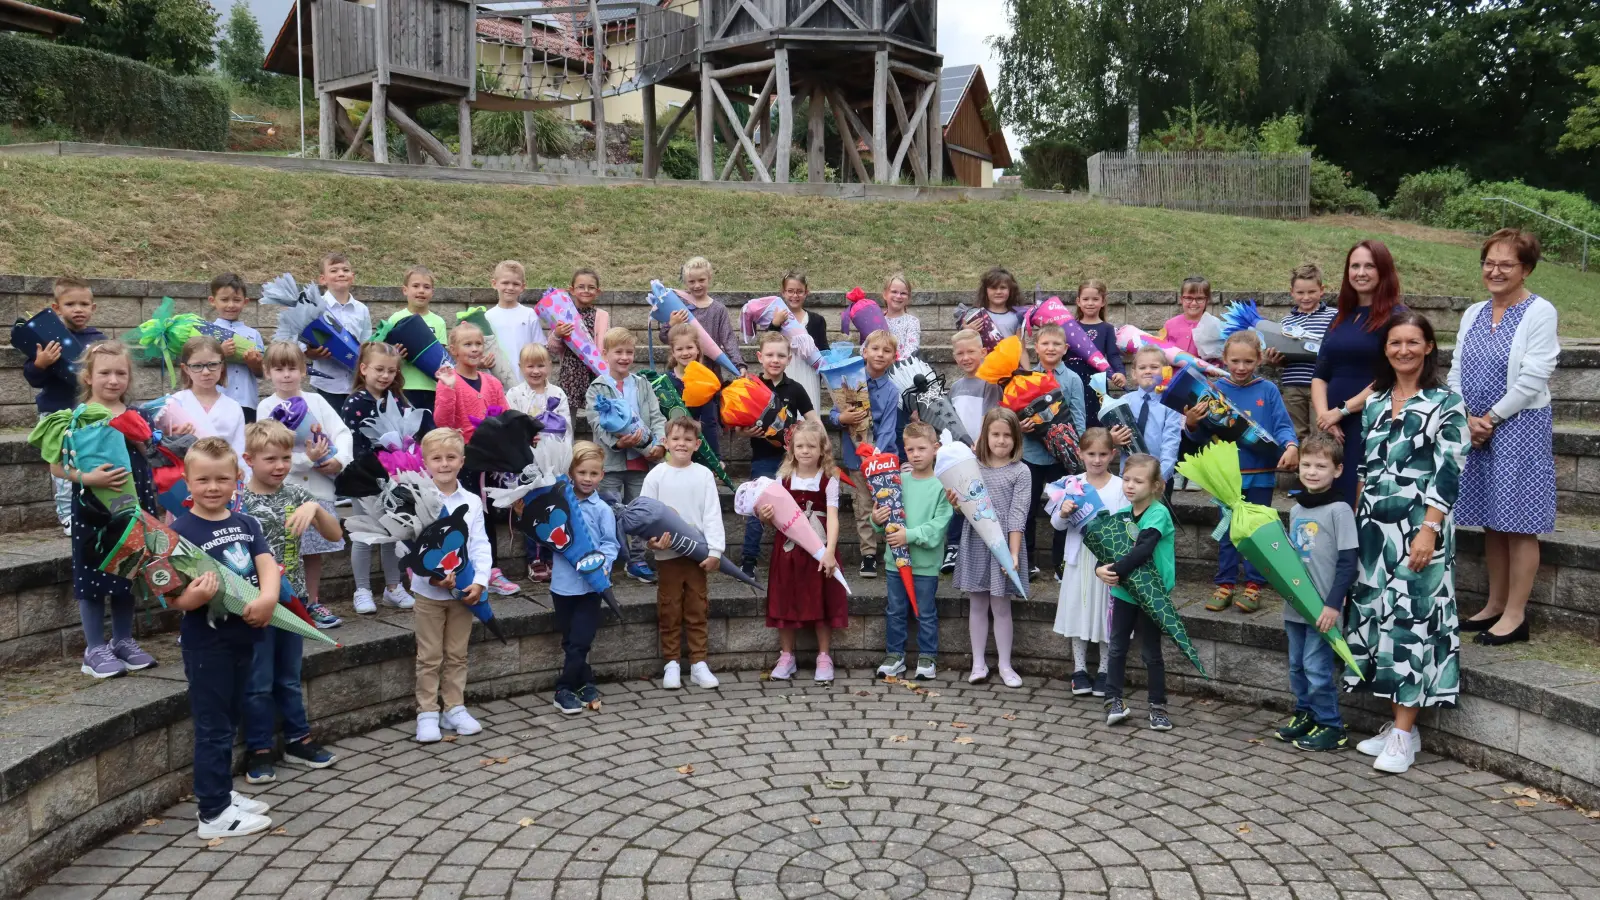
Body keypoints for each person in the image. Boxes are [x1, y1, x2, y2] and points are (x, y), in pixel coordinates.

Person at [1345, 311, 1468, 775]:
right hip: (1376, 526)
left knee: (1413, 619)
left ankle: (1403, 734)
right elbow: (1366, 468)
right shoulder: (1376, 401)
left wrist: (1429, 528)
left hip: (1421, 526)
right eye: (1395, 343)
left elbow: (1449, 470)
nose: (1403, 350)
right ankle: (1401, 726)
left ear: (1429, 347)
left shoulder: (1447, 403)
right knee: (1379, 615)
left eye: (1413, 342)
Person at [1450, 229, 1559, 647]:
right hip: (1475, 427)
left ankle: (1516, 615)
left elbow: (1535, 375)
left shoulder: (1539, 311)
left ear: (1526, 269)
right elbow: (1458, 367)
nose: (1494, 271)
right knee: (1492, 523)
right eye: (1489, 263)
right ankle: (1494, 605)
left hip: (1520, 427)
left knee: (1518, 523)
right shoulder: (1474, 312)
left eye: (1506, 264)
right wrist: (1466, 416)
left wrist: (1490, 418)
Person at [170, 436, 280, 838]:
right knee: (213, 727)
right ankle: (213, 813)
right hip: (207, 645)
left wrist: (268, 598)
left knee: (231, 718)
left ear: (238, 477)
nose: (212, 487)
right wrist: (190, 598)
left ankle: (222, 791)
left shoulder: (245, 523)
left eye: (221, 479)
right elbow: (169, 593)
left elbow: (265, 563)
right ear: (186, 480)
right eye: (202, 480)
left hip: (243, 637)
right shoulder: (180, 531)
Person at [51, 342, 162, 678]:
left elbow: (148, 455)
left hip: (133, 506)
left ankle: (123, 640)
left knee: (128, 572)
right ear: (88, 376)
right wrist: (87, 476)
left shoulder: (137, 414)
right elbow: (56, 467)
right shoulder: (76, 418)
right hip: (94, 510)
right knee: (93, 574)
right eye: (105, 373)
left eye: (120, 373)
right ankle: (94, 647)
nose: (113, 380)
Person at [239, 421, 342, 783]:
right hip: (253, 603)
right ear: (249, 459)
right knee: (258, 680)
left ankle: (298, 740)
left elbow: (335, 535)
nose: (280, 465)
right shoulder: (238, 501)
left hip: (293, 601)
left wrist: (315, 508)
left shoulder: (297, 496)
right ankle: (259, 748)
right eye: (270, 459)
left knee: (288, 677)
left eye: (286, 457)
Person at [1186, 331, 1299, 613]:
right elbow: (1200, 437)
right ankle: (1224, 583)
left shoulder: (1268, 390)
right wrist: (1191, 423)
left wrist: (1291, 445)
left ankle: (1254, 585)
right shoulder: (1213, 391)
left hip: (1261, 474)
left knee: (1256, 532)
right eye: (1234, 361)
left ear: (1259, 359)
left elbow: (1282, 424)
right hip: (1227, 478)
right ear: (1223, 359)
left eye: (1248, 361)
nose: (1240, 367)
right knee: (1228, 533)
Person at [256, 341, 351, 629]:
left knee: (312, 551)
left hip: (320, 488)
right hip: (283, 489)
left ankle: (312, 601)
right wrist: (305, 460)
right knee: (286, 548)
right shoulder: (266, 406)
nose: (286, 375)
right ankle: (285, 601)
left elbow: (342, 432)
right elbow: (267, 448)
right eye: (279, 369)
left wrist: (341, 460)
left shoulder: (318, 401)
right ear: (267, 372)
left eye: (293, 368)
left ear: (303, 371)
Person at [1275, 432, 1357, 752]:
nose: (1311, 471)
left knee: (1316, 667)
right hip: (1296, 605)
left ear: (1337, 470)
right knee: (1297, 664)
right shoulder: (1296, 510)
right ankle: (1306, 713)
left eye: (1320, 466)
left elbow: (1349, 562)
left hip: (1323, 608)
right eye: (1306, 464)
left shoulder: (1340, 510)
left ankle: (1332, 725)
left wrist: (1333, 605)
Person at [411, 428, 491, 743]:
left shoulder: (471, 501)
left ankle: (454, 707)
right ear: (426, 462)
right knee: (429, 655)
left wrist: (482, 581)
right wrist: (431, 576)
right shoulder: (417, 497)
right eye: (437, 458)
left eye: (451, 458)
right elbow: (409, 547)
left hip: (462, 592)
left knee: (457, 653)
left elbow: (480, 544)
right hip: (429, 593)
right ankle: (427, 712)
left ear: (462, 461)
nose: (444, 464)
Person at [1312, 240, 1407, 506]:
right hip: (1333, 427)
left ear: (1383, 271)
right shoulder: (1341, 316)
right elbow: (1320, 373)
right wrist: (1324, 418)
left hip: (1370, 421)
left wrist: (1341, 411)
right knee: (1332, 505)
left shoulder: (1397, 317)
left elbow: (1391, 375)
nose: (1361, 272)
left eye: (1369, 266)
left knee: (1360, 502)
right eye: (1355, 266)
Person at [761, 419, 846, 683]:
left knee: (821, 596)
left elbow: (832, 517)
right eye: (800, 446)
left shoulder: (829, 479)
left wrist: (830, 551)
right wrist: (765, 516)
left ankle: (824, 656)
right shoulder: (782, 479)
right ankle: (787, 656)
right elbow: (772, 515)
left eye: (811, 446)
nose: (805, 451)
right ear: (791, 449)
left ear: (822, 449)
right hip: (788, 549)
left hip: (818, 548)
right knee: (785, 597)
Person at [1095, 454, 1176, 731]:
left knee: (1151, 652)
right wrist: (1099, 569)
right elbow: (1108, 548)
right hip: (1124, 594)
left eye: (1138, 481)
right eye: (1127, 479)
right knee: (1117, 647)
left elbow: (1142, 549)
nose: (1129, 485)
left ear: (1156, 485)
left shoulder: (1158, 514)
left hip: (1152, 594)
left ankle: (1158, 706)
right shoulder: (1122, 515)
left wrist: (1115, 569)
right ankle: (1113, 699)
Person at [952, 408, 1030, 688]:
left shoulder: (1021, 472)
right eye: (995, 434)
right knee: (977, 604)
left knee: (1001, 606)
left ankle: (1006, 665)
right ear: (985, 436)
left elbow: (1018, 515)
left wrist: (1013, 553)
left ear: (1016, 438)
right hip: (976, 543)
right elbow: (966, 508)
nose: (1001, 440)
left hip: (1006, 545)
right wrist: (955, 503)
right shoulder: (972, 467)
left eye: (1007, 435)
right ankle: (978, 663)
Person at [645, 419, 724, 691]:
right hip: (667, 555)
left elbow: (712, 514)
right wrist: (652, 542)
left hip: (697, 554)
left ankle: (699, 662)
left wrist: (715, 551)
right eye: (676, 438)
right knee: (669, 607)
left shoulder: (702, 475)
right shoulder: (656, 475)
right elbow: (645, 514)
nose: (681, 444)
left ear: (697, 445)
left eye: (688, 440)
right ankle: (671, 662)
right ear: (665, 442)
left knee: (697, 606)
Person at [1050, 428, 1129, 698]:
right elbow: (1057, 525)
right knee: (1079, 610)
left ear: (1113, 455)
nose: (1097, 460)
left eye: (1103, 454)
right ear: (1080, 454)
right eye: (1091, 454)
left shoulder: (1120, 487)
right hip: (1079, 559)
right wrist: (1063, 512)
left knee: (1106, 615)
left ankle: (1105, 670)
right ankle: (1080, 669)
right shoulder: (1071, 484)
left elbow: (1127, 524)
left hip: (1108, 561)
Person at [340, 342, 417, 614]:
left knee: (392, 533)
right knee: (364, 533)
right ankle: (362, 589)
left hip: (394, 478)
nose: (385, 376)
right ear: (363, 369)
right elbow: (355, 443)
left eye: (391, 371)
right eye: (379, 370)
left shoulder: (397, 399)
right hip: (364, 478)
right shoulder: (355, 401)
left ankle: (393, 587)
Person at [585, 327, 667, 583]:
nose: (624, 357)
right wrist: (618, 444)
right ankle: (606, 560)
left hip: (642, 461)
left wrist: (660, 444)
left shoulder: (642, 384)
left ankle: (637, 560)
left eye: (629, 352)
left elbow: (656, 417)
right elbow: (596, 423)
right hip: (611, 462)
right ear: (605, 354)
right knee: (607, 512)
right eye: (618, 352)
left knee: (640, 513)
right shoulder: (597, 387)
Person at [26, 275, 106, 534]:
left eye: (84, 304)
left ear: (93, 307)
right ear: (57, 308)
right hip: (57, 415)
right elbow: (34, 378)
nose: (78, 309)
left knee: (92, 463)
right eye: (71, 304)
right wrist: (41, 363)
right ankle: (68, 516)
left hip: (90, 414)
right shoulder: (49, 338)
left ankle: (93, 509)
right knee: (62, 467)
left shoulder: (99, 340)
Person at [873, 422, 951, 681]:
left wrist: (911, 535)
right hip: (895, 561)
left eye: (922, 448)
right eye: (910, 449)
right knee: (895, 610)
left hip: (925, 564)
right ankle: (895, 655)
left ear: (935, 448)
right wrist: (876, 517)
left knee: (924, 611)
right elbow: (881, 518)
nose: (915, 454)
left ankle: (928, 656)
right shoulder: (896, 480)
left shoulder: (942, 486)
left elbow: (939, 525)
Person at [740, 331, 819, 578]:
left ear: (789, 359)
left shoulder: (795, 389)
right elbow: (738, 428)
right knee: (758, 509)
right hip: (762, 460)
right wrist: (747, 433)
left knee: (796, 509)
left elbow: (814, 420)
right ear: (760, 357)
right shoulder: (751, 386)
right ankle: (748, 562)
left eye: (781, 356)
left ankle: (800, 556)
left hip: (792, 461)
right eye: (770, 355)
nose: (775, 360)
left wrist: (813, 441)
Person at [549, 442, 618, 714]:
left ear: (602, 475)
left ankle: (563, 688)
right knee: (570, 640)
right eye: (582, 473)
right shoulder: (560, 506)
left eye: (594, 474)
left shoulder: (603, 509)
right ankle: (584, 681)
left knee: (581, 639)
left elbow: (610, 543)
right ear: (571, 473)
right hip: (563, 586)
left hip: (591, 588)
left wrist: (602, 563)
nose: (587, 479)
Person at [831, 330, 906, 580]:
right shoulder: (849, 382)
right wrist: (842, 418)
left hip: (883, 460)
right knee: (863, 508)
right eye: (875, 349)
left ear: (893, 357)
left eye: (886, 351)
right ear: (864, 352)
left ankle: (895, 550)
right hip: (855, 460)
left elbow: (888, 429)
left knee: (888, 504)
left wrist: (874, 454)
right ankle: (869, 555)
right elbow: (834, 412)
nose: (880, 354)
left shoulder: (891, 391)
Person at [1020, 323, 1086, 581]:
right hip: (1032, 454)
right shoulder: (1025, 378)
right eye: (1045, 343)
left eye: (1056, 344)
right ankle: (1027, 560)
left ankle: (1061, 564)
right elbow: (1018, 413)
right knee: (1027, 509)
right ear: (1036, 347)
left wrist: (1078, 449)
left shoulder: (1072, 379)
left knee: (1065, 508)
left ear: (1065, 349)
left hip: (1062, 457)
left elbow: (1079, 416)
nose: (1050, 348)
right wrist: (1021, 425)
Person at [506, 343, 571, 583]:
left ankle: (553, 553)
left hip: (554, 460)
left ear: (550, 366)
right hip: (528, 462)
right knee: (531, 509)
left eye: (541, 365)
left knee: (554, 509)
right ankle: (534, 558)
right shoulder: (514, 394)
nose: (536, 371)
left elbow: (566, 426)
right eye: (530, 366)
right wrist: (525, 434)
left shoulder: (557, 394)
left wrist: (564, 456)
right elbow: (510, 424)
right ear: (521, 367)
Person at [943, 329, 1001, 572]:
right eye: (959, 353)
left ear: (983, 352)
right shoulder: (955, 387)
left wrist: (981, 442)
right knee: (958, 498)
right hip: (959, 453)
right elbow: (951, 420)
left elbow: (991, 415)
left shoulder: (991, 383)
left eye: (970, 352)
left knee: (981, 500)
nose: (965, 357)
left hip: (982, 451)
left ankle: (989, 546)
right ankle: (953, 547)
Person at [1265, 264, 1336, 442]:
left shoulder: (1334, 316)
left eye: (1311, 292)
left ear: (1322, 290)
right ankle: (1300, 469)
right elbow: (1283, 357)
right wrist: (1274, 359)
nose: (1306, 297)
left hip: (1322, 385)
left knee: (1321, 432)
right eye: (1300, 293)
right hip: (1292, 384)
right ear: (1292, 292)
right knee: (1296, 433)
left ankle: (1319, 468)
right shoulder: (1286, 322)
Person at [1109, 345, 1182, 485]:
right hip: (1128, 476)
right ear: (1134, 373)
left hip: (1158, 477)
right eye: (1142, 368)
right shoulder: (1123, 403)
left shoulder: (1171, 404)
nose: (1148, 371)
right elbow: (1112, 439)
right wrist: (1113, 440)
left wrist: (1160, 477)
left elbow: (1171, 442)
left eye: (1154, 367)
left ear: (1166, 371)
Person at [168, 335, 248, 461]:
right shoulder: (174, 403)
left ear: (222, 366)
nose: (206, 372)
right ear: (186, 369)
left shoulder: (233, 407)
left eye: (213, 364)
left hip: (224, 473)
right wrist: (175, 436)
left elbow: (239, 449)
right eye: (197, 366)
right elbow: (162, 448)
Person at [310, 252, 373, 410]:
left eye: (345, 270)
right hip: (327, 384)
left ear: (352, 276)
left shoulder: (362, 310)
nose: (340, 274)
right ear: (323, 279)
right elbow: (300, 346)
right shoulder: (314, 308)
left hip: (356, 384)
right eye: (334, 270)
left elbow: (367, 344)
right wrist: (313, 353)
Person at [660, 256, 743, 370]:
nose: (697, 285)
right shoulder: (679, 305)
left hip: (710, 371)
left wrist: (739, 365)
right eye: (692, 281)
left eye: (701, 280)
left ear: (709, 278)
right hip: (681, 370)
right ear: (685, 282)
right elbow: (664, 338)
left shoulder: (718, 309)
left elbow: (728, 340)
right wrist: (671, 324)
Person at [386, 265, 448, 413]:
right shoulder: (395, 318)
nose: (421, 290)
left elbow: (442, 356)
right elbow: (385, 354)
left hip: (432, 387)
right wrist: (396, 356)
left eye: (426, 287)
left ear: (432, 292)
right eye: (415, 286)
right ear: (405, 290)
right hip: (404, 386)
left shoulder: (439, 322)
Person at [1067, 279, 1127, 425]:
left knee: (1095, 422)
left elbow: (1113, 355)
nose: (1090, 303)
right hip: (1071, 380)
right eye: (1085, 299)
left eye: (1095, 299)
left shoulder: (1107, 329)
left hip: (1096, 383)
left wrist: (1120, 373)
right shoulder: (1069, 328)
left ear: (1103, 302)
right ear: (1078, 301)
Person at [208, 273, 265, 423]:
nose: (231, 305)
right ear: (212, 301)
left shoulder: (253, 334)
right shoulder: (208, 332)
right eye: (224, 300)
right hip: (217, 400)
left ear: (245, 302)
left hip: (246, 402)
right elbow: (201, 365)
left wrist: (255, 364)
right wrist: (220, 354)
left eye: (237, 300)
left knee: (245, 444)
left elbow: (261, 373)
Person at [767, 270, 828, 410]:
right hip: (784, 371)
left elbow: (824, 350)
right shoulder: (777, 318)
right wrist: (775, 324)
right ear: (783, 292)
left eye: (799, 291)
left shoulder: (817, 320)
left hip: (809, 373)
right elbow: (768, 344)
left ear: (806, 292)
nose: (795, 295)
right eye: (790, 291)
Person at [550, 269, 608, 417]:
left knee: (599, 415)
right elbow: (552, 348)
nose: (586, 290)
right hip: (571, 373)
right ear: (572, 290)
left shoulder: (602, 316)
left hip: (595, 372)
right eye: (581, 287)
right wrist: (558, 334)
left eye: (591, 287)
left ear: (598, 291)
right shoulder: (563, 314)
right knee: (567, 417)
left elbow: (607, 343)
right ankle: (568, 440)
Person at [481, 260, 544, 378]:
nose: (510, 287)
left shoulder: (529, 314)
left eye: (515, 284)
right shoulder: (487, 317)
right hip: (496, 382)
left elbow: (539, 349)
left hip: (526, 382)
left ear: (523, 287)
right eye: (505, 283)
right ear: (494, 284)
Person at [668, 323, 722, 456]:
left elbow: (710, 422)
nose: (685, 353)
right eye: (679, 349)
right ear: (673, 353)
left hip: (699, 447)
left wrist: (715, 457)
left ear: (698, 349)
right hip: (672, 450)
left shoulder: (706, 379)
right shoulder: (665, 381)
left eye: (690, 347)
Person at [952, 266, 1028, 355]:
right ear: (985, 290)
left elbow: (1021, 350)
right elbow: (964, 348)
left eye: (1003, 287)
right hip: (983, 366)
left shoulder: (1017, 316)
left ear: (1011, 290)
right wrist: (966, 332)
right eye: (993, 288)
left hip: (1009, 366)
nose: (998, 292)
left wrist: (1028, 369)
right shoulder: (976, 315)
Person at [1162, 276, 1224, 363]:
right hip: (1174, 375)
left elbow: (1220, 356)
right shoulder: (1170, 325)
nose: (1194, 303)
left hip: (1203, 376)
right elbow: (1161, 352)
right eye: (1188, 298)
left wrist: (1216, 365)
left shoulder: (1214, 325)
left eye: (1199, 298)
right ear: (1181, 299)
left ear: (1207, 300)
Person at [882, 273, 921, 359]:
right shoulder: (877, 320)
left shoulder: (912, 322)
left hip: (902, 369)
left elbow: (911, 351)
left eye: (903, 293)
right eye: (894, 292)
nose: (898, 296)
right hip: (878, 368)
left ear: (908, 298)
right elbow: (866, 348)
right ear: (885, 294)